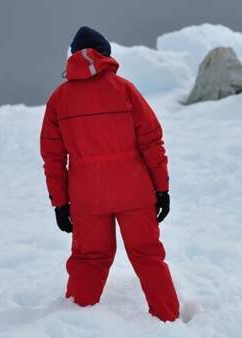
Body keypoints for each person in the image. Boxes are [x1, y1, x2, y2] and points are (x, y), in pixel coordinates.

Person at [40, 26, 179, 321]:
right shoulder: (124, 89)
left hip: (87, 198)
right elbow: (152, 141)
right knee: (147, 256)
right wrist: (161, 188)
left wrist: (60, 203)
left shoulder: (59, 99)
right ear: (105, 56)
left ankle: (75, 323)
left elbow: (53, 157)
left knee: (89, 259)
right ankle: (168, 320)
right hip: (135, 193)